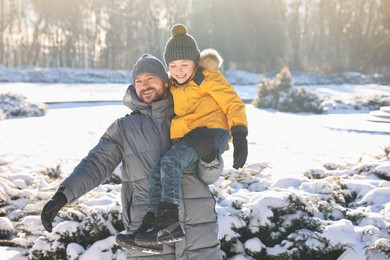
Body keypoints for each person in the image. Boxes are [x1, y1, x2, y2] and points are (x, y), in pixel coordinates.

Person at [41, 54, 225, 259]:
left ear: (165, 81)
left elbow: (210, 177)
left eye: (150, 79)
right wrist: (63, 195)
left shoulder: (191, 118)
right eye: (138, 81)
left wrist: (209, 156)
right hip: (146, 237)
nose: (144, 85)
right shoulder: (124, 129)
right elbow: (96, 164)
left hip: (198, 232)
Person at [133, 24, 248, 247]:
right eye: (173, 65)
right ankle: (151, 221)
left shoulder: (207, 78)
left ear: (195, 62)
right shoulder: (174, 85)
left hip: (212, 132)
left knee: (171, 161)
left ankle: (170, 223)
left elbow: (233, 103)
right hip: (189, 137)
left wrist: (240, 134)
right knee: (159, 166)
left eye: (184, 64)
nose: (179, 70)